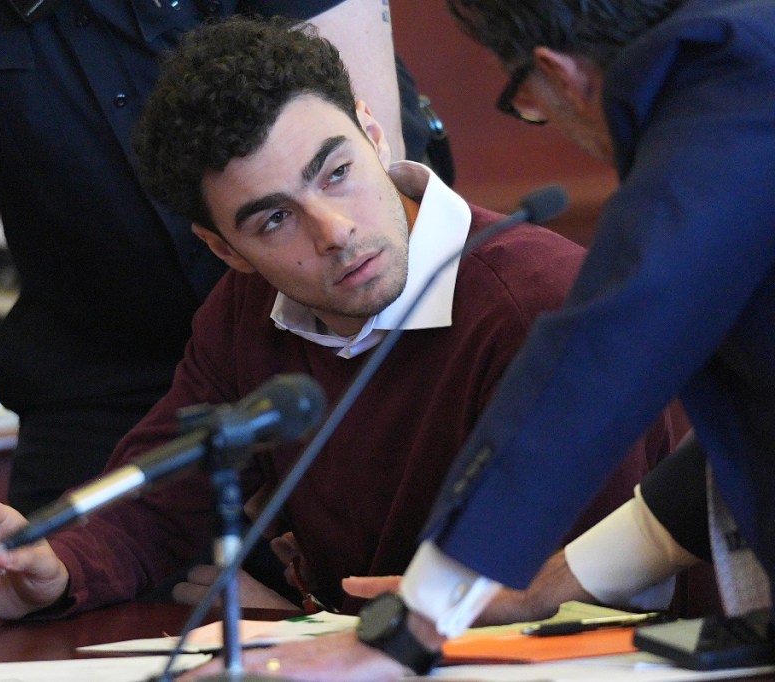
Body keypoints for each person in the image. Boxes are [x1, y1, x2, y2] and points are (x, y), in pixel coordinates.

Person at [0, 15, 671, 624]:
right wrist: (54, 568)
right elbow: (157, 508)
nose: (335, 230)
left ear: (375, 133)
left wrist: (299, 619)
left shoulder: (535, 302)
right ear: (225, 249)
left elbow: (584, 603)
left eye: (337, 172)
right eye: (275, 218)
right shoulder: (246, 313)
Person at [0, 0, 423, 595]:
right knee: (42, 599)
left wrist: (314, 484)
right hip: (98, 384)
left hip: (351, 356)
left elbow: (349, 210)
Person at [205, 0, 775, 679]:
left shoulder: (725, 101)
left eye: (526, 104)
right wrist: (546, 584)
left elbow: (589, 368)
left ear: (558, 75)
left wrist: (410, 626)